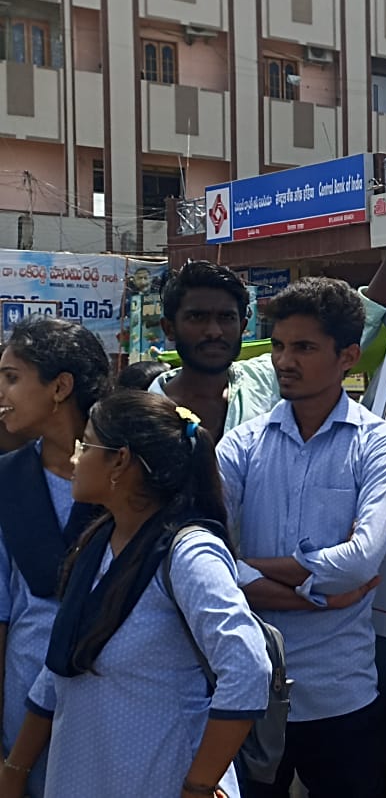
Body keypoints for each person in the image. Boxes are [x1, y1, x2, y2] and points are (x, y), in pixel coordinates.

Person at [0, 390, 271, 798]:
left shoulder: (189, 553)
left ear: (120, 461)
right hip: (85, 776)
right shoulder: (99, 542)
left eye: (86, 445)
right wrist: (15, 770)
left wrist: (199, 785)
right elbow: (58, 669)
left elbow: (248, 668)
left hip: (157, 779)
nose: (74, 459)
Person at [216, 277, 386, 798]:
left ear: (347, 355)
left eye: (303, 347)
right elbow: (203, 560)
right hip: (251, 690)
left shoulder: (380, 447)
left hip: (340, 694)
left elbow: (359, 564)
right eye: (279, 346)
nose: (284, 360)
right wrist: (315, 598)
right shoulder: (242, 445)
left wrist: (252, 567)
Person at [151, 174, 386, 439]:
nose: (213, 331)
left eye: (226, 317)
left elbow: (365, 315)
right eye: (197, 317)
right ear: (169, 328)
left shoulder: (266, 378)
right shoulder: (140, 413)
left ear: (243, 326)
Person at [0, 318, 111, 796]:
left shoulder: (128, 476)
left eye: (12, 377)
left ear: (61, 387)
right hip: (24, 694)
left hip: (111, 701)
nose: (1, 391)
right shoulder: (9, 480)